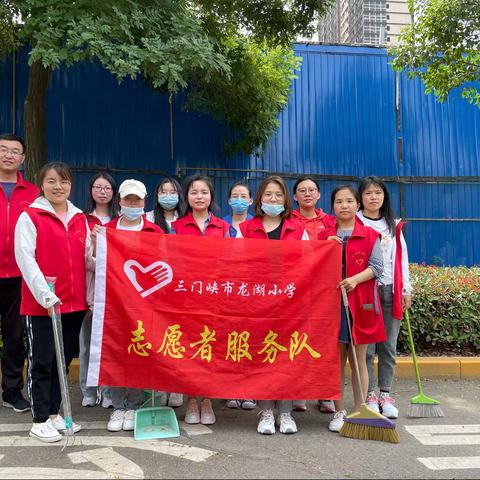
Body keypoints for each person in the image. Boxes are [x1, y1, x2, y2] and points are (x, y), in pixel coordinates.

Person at [15, 162, 92, 443]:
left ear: (71, 185)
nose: (58, 187)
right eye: (51, 181)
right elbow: (26, 258)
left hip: (73, 304)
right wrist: (43, 294)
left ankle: (54, 413)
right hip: (43, 304)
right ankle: (39, 419)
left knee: (63, 360)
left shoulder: (80, 217)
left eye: (63, 181)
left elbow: (86, 260)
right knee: (43, 361)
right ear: (42, 184)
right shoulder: (31, 216)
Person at [237, 175, 308, 435]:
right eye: (268, 195)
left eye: (278, 195)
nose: (273, 199)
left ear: (286, 199)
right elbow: (235, 263)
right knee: (262, 356)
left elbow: (308, 262)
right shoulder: (246, 228)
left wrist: (329, 248)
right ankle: (266, 411)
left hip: (289, 303)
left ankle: (286, 412)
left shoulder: (297, 229)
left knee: (286, 356)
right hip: (257, 303)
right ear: (260, 199)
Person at [318, 185, 385, 433]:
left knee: (360, 360)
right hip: (332, 305)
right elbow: (311, 267)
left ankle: (359, 410)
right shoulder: (324, 236)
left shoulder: (369, 235)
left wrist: (355, 279)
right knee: (337, 360)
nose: (344, 205)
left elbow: (377, 267)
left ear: (357, 205)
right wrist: (324, 247)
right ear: (332, 207)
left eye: (349, 201)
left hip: (361, 305)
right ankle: (338, 410)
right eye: (339, 201)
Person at [104, 179, 163, 433]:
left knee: (139, 351)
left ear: (144, 202)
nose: (131, 204)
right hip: (112, 304)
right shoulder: (106, 230)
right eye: (127, 199)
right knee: (116, 352)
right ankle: (118, 406)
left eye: (136, 200)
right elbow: (94, 263)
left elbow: (165, 265)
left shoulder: (154, 232)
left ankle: (135, 405)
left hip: (144, 305)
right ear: (119, 201)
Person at [172, 174, 230, 425]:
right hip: (187, 298)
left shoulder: (223, 227)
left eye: (204, 192)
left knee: (210, 349)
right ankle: (191, 401)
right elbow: (170, 260)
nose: (199, 196)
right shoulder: (177, 227)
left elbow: (231, 260)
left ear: (211, 197)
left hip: (215, 297)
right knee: (189, 349)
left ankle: (207, 400)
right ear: (187, 197)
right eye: (194, 192)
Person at [357, 176, 412, 419]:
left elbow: (402, 259)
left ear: (384, 197)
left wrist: (406, 289)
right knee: (366, 349)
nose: (373, 197)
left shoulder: (393, 224)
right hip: (365, 291)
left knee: (388, 346)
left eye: (377, 193)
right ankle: (369, 394)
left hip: (390, 289)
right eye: (368, 193)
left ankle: (385, 394)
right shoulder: (355, 221)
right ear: (361, 197)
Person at [0, 133, 39, 414]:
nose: (9, 155)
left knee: (14, 337)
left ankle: (12, 391)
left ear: (23, 158)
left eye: (15, 151)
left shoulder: (34, 194)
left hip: (19, 276)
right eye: (3, 150)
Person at [291, 175, 335, 414]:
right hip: (297, 289)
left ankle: (324, 392)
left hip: (326, 289)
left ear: (319, 195)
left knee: (323, 340)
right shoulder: (288, 221)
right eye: (302, 190)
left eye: (312, 190)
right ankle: (299, 390)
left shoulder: (330, 222)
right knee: (298, 338)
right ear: (295, 196)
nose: (307, 194)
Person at [146, 177, 186, 408]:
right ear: (157, 195)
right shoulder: (148, 219)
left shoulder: (184, 222)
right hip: (156, 288)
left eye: (172, 191)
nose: (168, 195)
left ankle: (177, 386)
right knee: (159, 337)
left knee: (179, 337)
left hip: (181, 288)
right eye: (163, 191)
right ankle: (160, 385)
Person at [79, 172, 118, 409]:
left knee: (111, 344)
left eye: (107, 188)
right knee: (87, 343)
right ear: (91, 190)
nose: (102, 192)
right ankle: (88, 390)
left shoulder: (120, 221)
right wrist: (94, 245)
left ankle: (108, 390)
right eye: (98, 187)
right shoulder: (82, 220)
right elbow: (85, 261)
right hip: (91, 292)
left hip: (117, 294)